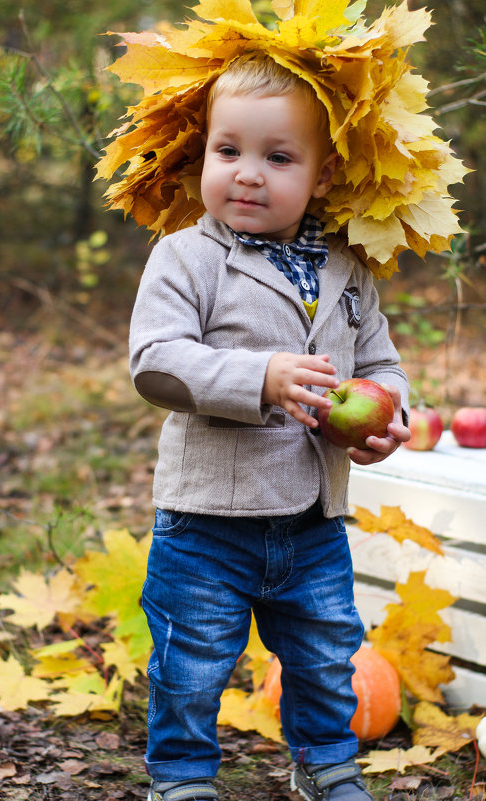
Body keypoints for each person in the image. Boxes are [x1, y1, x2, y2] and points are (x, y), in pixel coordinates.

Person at [129, 54, 410, 801]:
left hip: (312, 516)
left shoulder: (348, 268)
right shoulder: (186, 257)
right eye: (228, 151)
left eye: (277, 157)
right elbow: (155, 360)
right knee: (191, 660)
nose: (246, 173)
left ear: (320, 176)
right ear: (204, 156)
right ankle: (183, 775)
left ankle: (325, 761)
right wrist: (259, 376)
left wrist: (386, 416)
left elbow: (380, 365)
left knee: (324, 652)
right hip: (207, 519)